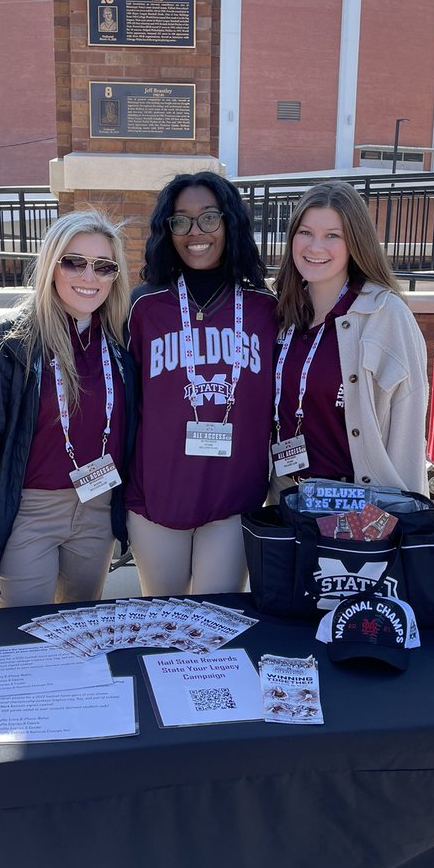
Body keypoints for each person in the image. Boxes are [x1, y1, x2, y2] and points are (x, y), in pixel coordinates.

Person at [0, 209, 136, 608]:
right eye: (74, 262)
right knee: (22, 636)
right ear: (51, 266)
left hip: (97, 511)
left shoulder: (120, 340)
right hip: (29, 512)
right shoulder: (11, 339)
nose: (88, 277)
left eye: (104, 267)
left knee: (80, 633)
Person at [126, 171, 278, 595]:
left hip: (233, 499)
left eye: (209, 217)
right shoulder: (144, 306)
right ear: (167, 230)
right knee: (164, 626)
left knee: (217, 628)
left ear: (230, 222)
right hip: (157, 497)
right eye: (181, 221)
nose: (196, 232)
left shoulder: (266, 308)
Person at [271, 180, 428, 498]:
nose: (315, 247)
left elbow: (408, 420)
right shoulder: (283, 313)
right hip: (284, 496)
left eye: (332, 235)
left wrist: (406, 513)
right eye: (305, 232)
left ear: (355, 242)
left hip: (354, 504)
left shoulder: (386, 315)